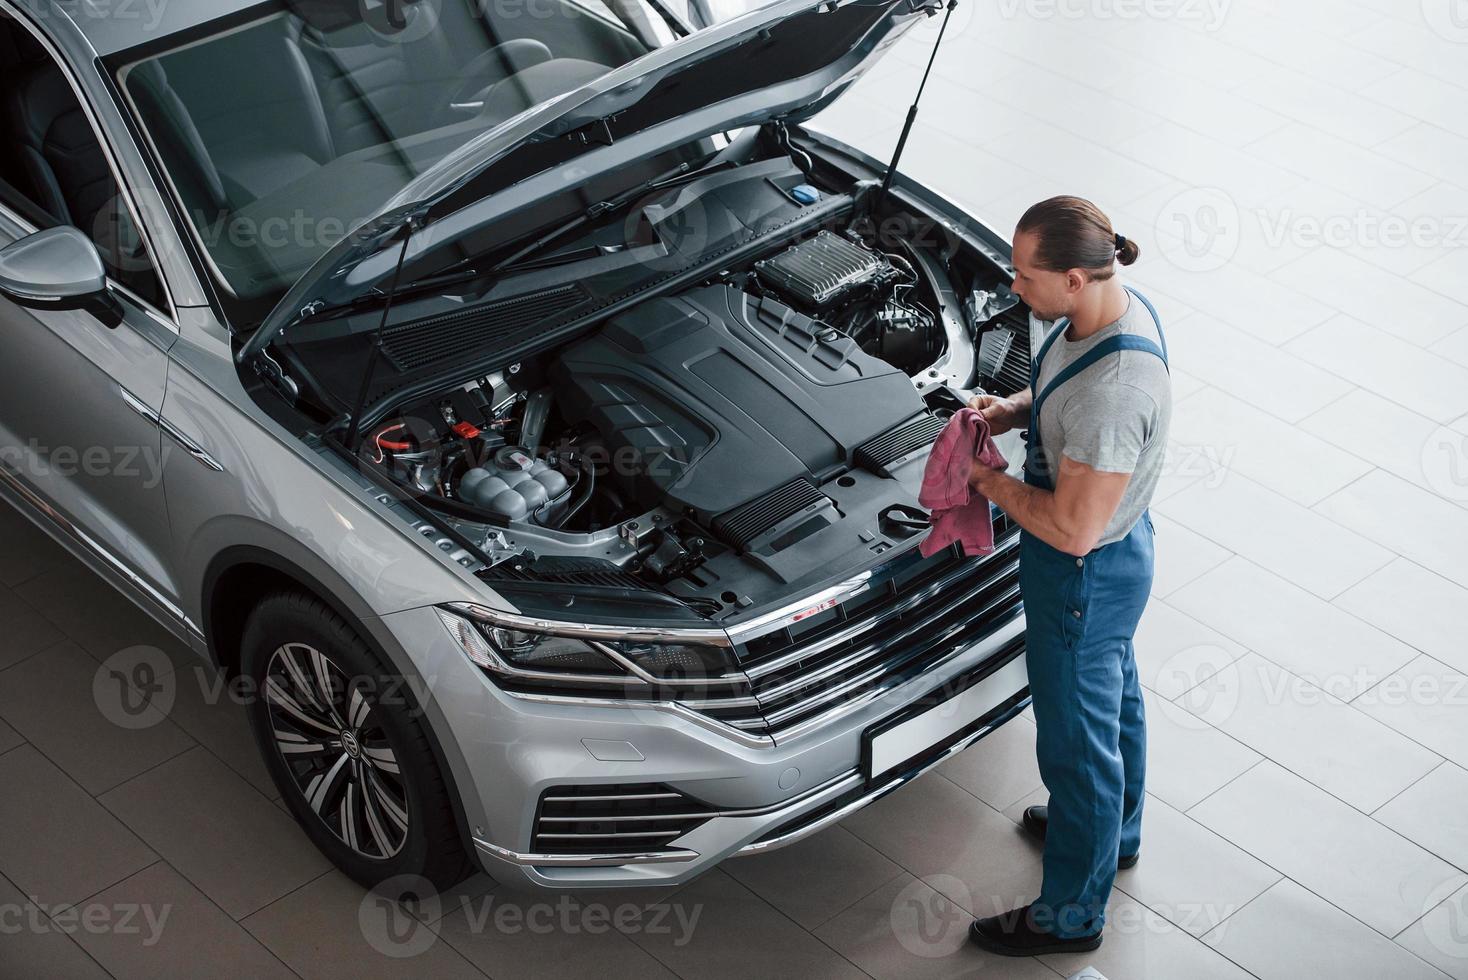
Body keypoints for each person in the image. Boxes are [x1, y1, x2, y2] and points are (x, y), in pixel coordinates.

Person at [964, 196, 1171, 956]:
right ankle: (1115, 834)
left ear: (1076, 278)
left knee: (1076, 747)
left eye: (1024, 276)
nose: (1013, 287)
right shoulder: (1107, 310)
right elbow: (1059, 387)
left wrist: (987, 484)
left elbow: (1071, 527)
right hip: (1121, 554)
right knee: (1112, 696)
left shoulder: (1115, 394)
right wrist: (1013, 411)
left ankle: (1069, 917)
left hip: (1082, 571)